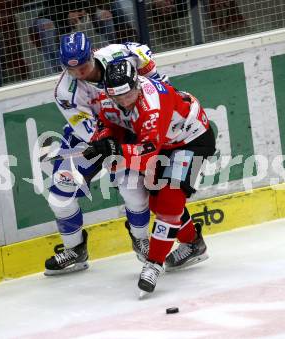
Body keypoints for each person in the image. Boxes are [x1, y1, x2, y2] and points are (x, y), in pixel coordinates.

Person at [84, 59, 216, 294]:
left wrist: (114, 149)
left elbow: (146, 153)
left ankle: (154, 265)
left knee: (169, 200)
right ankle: (193, 243)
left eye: (127, 95)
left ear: (136, 84)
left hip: (191, 140)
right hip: (164, 141)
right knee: (156, 201)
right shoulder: (111, 95)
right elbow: (106, 121)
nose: (123, 102)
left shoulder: (152, 105)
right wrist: (101, 139)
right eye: (118, 97)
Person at [44, 32, 168, 275]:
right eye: (72, 69)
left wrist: (155, 79)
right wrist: (106, 144)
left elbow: (142, 51)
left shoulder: (116, 53)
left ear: (91, 54)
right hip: (89, 139)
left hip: (130, 128)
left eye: (83, 66)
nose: (79, 73)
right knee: (59, 196)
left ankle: (140, 238)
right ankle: (75, 250)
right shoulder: (65, 93)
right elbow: (88, 130)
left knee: (131, 190)